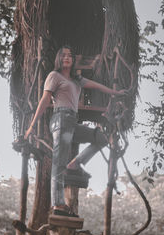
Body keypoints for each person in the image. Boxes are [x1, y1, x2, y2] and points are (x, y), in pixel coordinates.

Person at [24, 45, 127, 217]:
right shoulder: (54, 76)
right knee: (59, 161)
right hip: (61, 119)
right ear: (58, 59)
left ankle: (76, 163)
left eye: (69, 56)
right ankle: (57, 204)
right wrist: (32, 125)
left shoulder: (76, 80)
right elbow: (44, 100)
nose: (67, 58)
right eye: (63, 55)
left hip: (72, 120)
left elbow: (96, 86)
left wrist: (116, 92)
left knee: (101, 138)